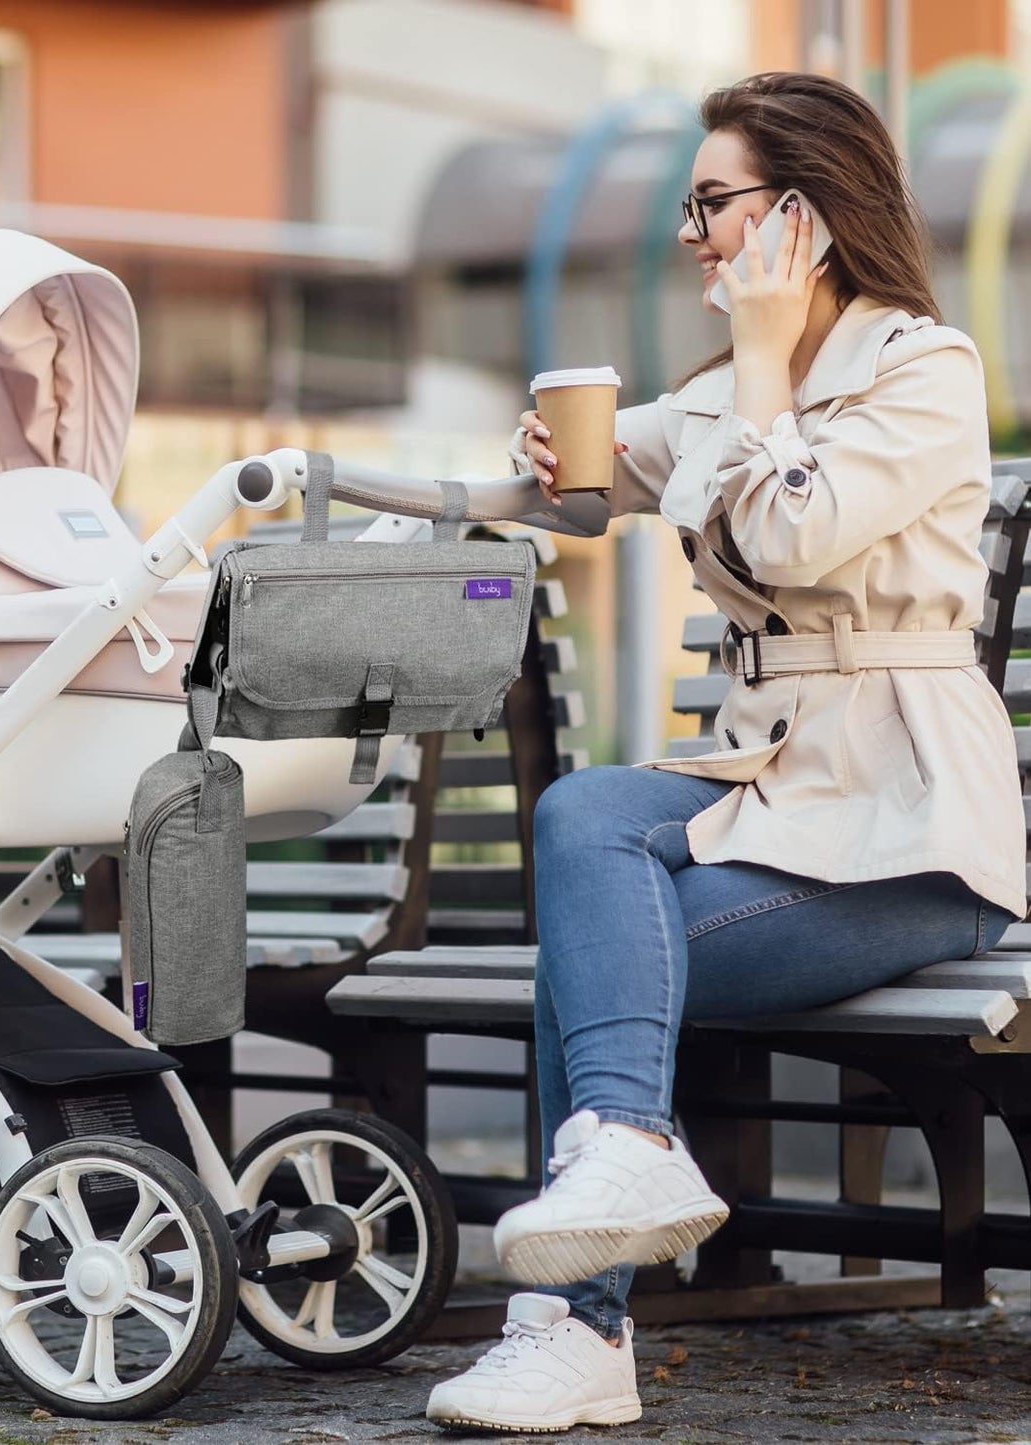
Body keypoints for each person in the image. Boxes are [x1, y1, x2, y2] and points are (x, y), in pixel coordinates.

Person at [425, 70, 1027, 1435]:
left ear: (797, 217)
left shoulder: (920, 369)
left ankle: (569, 1330)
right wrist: (533, 454)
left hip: (911, 830)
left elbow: (794, 533)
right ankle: (624, 1162)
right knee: (585, 819)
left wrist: (757, 363)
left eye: (712, 204)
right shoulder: (712, 398)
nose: (690, 234)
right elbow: (574, 481)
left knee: (585, 965)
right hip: (772, 795)